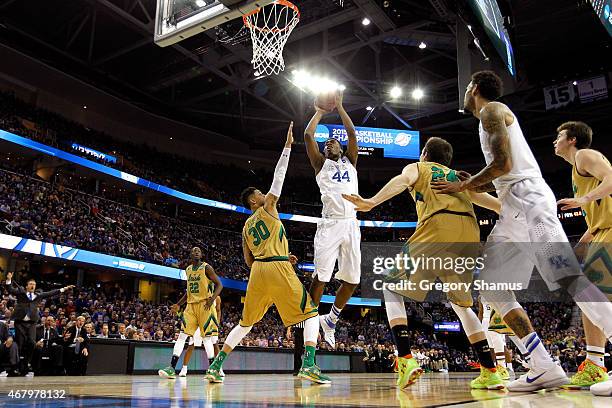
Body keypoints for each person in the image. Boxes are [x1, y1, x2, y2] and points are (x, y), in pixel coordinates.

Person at [432, 70, 612, 392]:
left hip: (529, 201)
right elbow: (501, 173)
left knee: (568, 276)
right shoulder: (485, 119)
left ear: (474, 88)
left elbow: (503, 165)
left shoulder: (492, 109)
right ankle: (542, 365)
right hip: (513, 207)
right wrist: (472, 184)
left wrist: (465, 183)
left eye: (466, 87)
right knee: (491, 287)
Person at [344, 136, 504, 390]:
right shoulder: (460, 179)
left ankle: (406, 359)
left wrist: (371, 202)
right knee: (462, 305)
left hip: (437, 227)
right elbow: (498, 206)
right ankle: (490, 370)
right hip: (470, 237)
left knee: (390, 286)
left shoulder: (419, 167)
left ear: (425, 154)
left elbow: (401, 180)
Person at [206, 122, 330, 384]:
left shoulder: (246, 226)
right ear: (254, 201)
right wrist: (286, 147)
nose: (265, 194)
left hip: (259, 272)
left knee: (246, 323)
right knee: (311, 313)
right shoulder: (267, 209)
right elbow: (278, 179)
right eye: (260, 194)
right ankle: (308, 364)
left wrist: (280, 256)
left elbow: (248, 260)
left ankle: (215, 366)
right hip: (276, 268)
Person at [553, 121, 612, 396]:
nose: (555, 141)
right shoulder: (576, 168)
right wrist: (585, 236)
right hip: (602, 232)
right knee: (593, 297)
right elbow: (602, 209)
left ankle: (597, 362)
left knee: (589, 293)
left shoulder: (585, 156)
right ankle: (595, 362)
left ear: (572, 139)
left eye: (559, 136)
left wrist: (584, 199)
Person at [304, 92, 361, 349]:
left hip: (351, 223)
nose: (330, 144)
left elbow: (352, 134)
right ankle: (310, 322)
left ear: (342, 149)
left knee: (352, 280)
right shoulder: (319, 164)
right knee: (321, 279)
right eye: (326, 143)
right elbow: (307, 136)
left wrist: (339, 107)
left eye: (334, 142)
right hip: (329, 224)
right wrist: (319, 112)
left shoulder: (351, 161)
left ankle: (331, 320)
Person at [158, 246, 223, 379]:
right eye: (194, 251)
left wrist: (212, 299)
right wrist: (178, 304)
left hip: (205, 305)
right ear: (190, 255)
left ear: (201, 254)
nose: (196, 252)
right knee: (182, 336)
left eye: (199, 250)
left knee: (207, 339)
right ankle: (171, 368)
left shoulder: (206, 268)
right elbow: (189, 292)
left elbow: (219, 284)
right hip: (191, 306)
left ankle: (213, 371)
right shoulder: (187, 270)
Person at [3, 271, 73, 376]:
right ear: (27, 286)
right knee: (20, 343)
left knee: (32, 342)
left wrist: (64, 289)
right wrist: (9, 279)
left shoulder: (39, 295)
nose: (33, 286)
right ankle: (16, 366)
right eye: (31, 284)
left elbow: (51, 293)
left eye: (34, 284)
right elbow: (10, 289)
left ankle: (27, 363)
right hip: (20, 322)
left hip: (32, 323)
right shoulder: (21, 292)